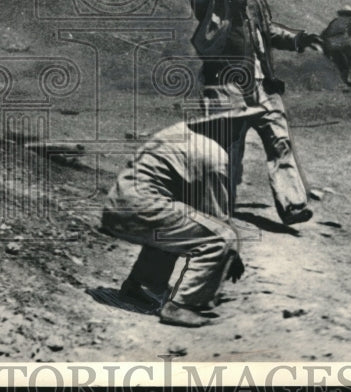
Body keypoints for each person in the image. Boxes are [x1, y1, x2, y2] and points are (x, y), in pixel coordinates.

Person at [189, 0, 323, 227]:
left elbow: (268, 30)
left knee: (280, 141)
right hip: (225, 87)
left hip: (262, 86)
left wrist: (297, 39)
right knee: (224, 149)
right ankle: (212, 209)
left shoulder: (255, 4)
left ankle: (293, 205)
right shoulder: (213, 3)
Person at [101, 114, 246, 328]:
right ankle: (181, 306)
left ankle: (139, 287)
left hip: (117, 207)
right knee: (223, 238)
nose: (237, 134)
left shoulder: (177, 131)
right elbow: (218, 219)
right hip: (143, 211)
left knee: (180, 221)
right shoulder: (214, 155)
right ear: (221, 124)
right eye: (236, 125)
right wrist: (232, 255)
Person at [321, 6, 351, 88]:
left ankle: (341, 82)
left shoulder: (334, 21)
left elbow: (323, 34)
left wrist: (325, 49)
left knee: (340, 62)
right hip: (344, 40)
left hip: (329, 43)